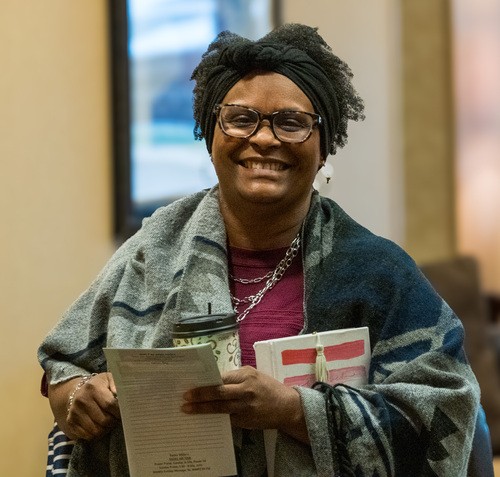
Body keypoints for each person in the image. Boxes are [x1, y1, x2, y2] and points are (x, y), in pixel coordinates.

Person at [38, 23, 480, 476]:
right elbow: (63, 367)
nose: (264, 138)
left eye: (291, 123)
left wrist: (294, 410)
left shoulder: (377, 271)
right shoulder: (151, 252)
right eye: (240, 118)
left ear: (324, 148)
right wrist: (78, 396)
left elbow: (446, 410)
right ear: (211, 135)